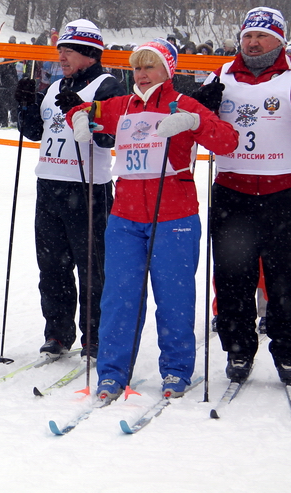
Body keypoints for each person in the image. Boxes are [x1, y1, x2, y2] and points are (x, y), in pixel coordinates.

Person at [66, 38, 238, 399]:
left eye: (150, 67)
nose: (142, 75)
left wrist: (194, 121)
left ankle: (176, 371)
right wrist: (80, 117)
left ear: (167, 70)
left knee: (174, 298)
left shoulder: (183, 104)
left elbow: (227, 141)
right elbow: (82, 108)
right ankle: (112, 373)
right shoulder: (122, 106)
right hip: (125, 218)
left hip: (174, 217)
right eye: (137, 68)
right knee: (118, 298)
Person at [194, 7, 291, 386]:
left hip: (286, 193)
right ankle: (239, 350)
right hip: (233, 191)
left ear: (280, 40)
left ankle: (289, 351)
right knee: (231, 278)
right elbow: (195, 117)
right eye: (247, 36)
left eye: (262, 36)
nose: (253, 43)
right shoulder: (222, 74)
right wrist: (203, 106)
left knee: (286, 278)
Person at [16, 19, 125, 361]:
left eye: (69, 50)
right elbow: (37, 132)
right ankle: (57, 332)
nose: (61, 56)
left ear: (89, 53)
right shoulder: (55, 85)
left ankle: (94, 335)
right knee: (51, 265)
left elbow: (110, 136)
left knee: (91, 265)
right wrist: (25, 106)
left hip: (88, 185)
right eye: (60, 49)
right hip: (49, 183)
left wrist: (82, 110)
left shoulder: (108, 85)